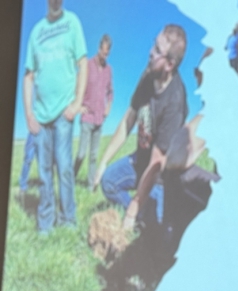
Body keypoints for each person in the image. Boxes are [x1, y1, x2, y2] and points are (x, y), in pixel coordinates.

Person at [93, 25, 188, 231]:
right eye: (153, 44)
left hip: (160, 178)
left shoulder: (175, 102)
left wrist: (132, 209)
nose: (150, 52)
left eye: (157, 50)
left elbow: (156, 164)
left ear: (170, 64)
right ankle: (140, 218)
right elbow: (128, 120)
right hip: (139, 162)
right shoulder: (148, 76)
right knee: (109, 181)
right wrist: (103, 163)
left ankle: (142, 216)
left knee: (160, 235)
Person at [22, 0, 87, 233]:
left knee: (64, 167)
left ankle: (68, 220)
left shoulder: (72, 23)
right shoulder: (36, 32)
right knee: (44, 172)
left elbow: (83, 63)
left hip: (63, 112)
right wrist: (29, 113)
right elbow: (28, 76)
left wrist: (77, 103)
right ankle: (46, 223)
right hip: (41, 115)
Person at [74, 34, 113, 188]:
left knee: (94, 156)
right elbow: (77, 84)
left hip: (99, 119)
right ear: (98, 48)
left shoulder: (109, 70)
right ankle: (71, 178)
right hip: (87, 116)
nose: (105, 55)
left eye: (107, 53)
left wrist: (108, 106)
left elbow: (111, 91)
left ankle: (90, 186)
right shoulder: (88, 65)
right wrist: (78, 105)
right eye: (103, 52)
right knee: (82, 154)